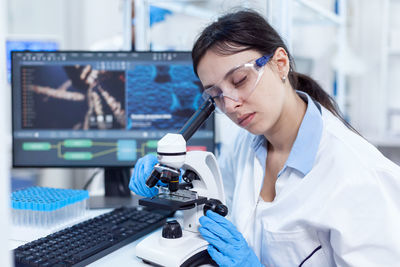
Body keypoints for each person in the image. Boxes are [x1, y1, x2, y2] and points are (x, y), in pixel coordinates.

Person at [129, 9, 400, 266]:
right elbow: (216, 200)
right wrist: (169, 182)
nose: (231, 104)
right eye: (216, 95)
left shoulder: (360, 176)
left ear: (280, 64)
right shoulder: (246, 144)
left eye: (239, 80)